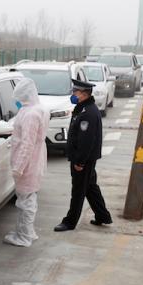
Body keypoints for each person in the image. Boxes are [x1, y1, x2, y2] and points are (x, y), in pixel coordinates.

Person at [54, 79, 112, 232]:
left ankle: (69, 222)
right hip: (86, 158)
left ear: (84, 94)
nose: (73, 94)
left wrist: (80, 161)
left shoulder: (88, 113)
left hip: (83, 159)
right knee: (90, 187)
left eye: (75, 92)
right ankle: (103, 215)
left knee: (78, 190)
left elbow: (86, 140)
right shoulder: (82, 108)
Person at [3, 78, 48, 247]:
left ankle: (24, 237)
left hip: (29, 163)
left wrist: (18, 167)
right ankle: (27, 232)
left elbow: (27, 143)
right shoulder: (37, 109)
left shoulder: (31, 114)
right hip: (35, 159)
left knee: (26, 201)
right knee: (28, 198)